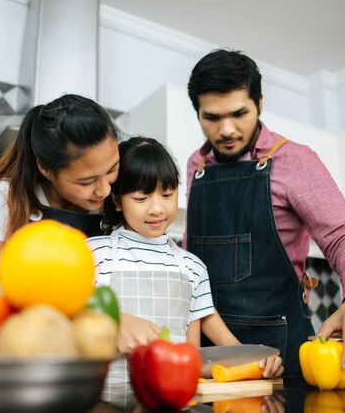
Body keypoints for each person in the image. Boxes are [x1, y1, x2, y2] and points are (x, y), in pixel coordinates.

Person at [184, 49, 345, 380]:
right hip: (209, 354)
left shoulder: (296, 160)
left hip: (280, 352)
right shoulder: (196, 166)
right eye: (212, 117)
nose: (227, 130)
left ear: (260, 103)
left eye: (239, 113)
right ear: (198, 113)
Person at [87, 136, 283, 408]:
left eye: (167, 194)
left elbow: (197, 355)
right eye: (142, 198)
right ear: (117, 202)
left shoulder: (192, 267)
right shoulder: (93, 255)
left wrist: (256, 361)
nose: (157, 208)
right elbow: (65, 321)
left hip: (172, 405)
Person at [0, 94, 120, 279]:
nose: (104, 190)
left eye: (112, 170)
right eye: (86, 181)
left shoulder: (126, 199)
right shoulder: (0, 199)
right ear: (45, 169)